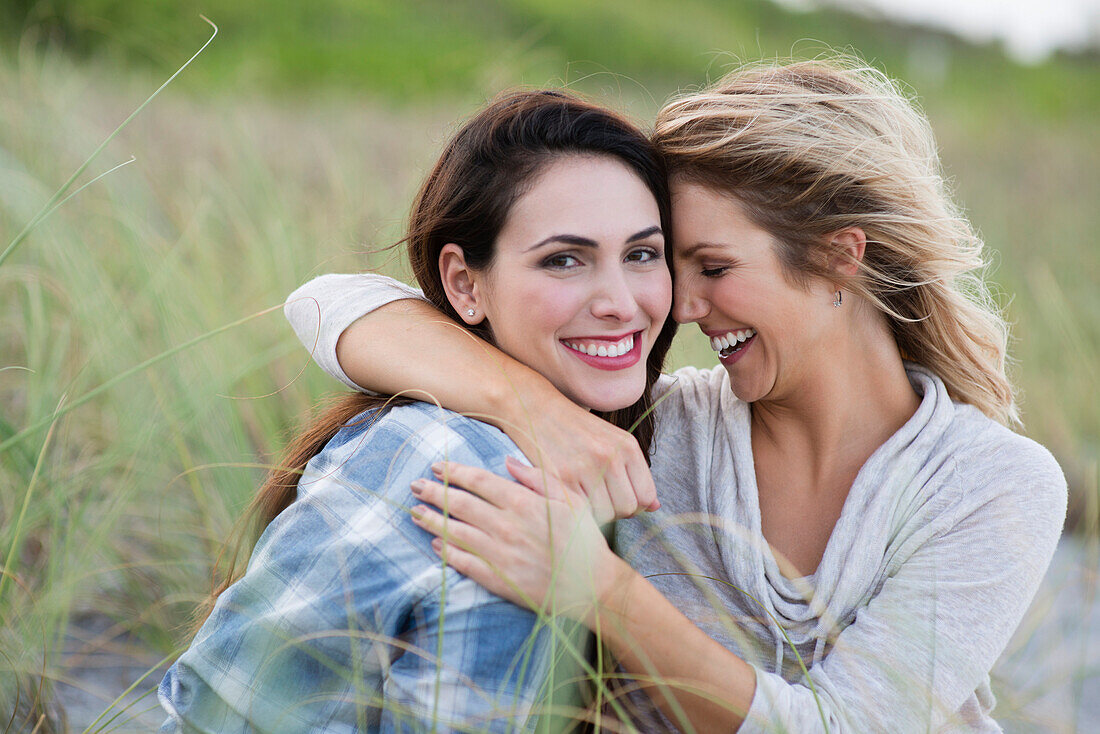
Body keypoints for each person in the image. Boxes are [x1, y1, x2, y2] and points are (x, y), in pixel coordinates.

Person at [282, 59, 1067, 732]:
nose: (678, 308)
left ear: (837, 258)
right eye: (673, 263)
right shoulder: (658, 423)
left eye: (714, 269)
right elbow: (327, 304)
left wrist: (596, 586)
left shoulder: (992, 485)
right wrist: (536, 409)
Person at [158, 89, 679, 733]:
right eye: (564, 260)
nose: (621, 303)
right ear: (464, 283)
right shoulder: (459, 462)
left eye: (641, 254)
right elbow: (220, 714)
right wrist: (533, 408)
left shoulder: (635, 433)